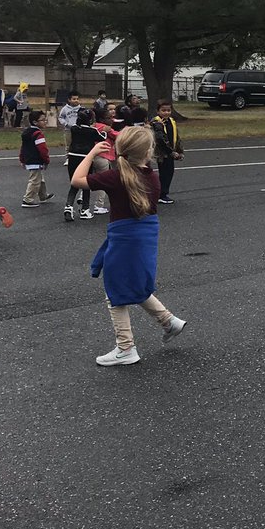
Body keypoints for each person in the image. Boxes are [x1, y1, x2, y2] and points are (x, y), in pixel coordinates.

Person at [73, 127, 187, 366]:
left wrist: (93, 153)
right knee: (133, 283)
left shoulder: (115, 177)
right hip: (144, 237)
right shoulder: (151, 175)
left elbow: (77, 180)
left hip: (123, 239)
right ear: (148, 152)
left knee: (115, 292)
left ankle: (126, 348)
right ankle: (168, 321)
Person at [65, 108, 102, 221]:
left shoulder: (74, 129)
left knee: (74, 182)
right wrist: (103, 130)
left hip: (72, 156)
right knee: (86, 183)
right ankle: (85, 209)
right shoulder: (92, 131)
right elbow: (102, 137)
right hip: (85, 158)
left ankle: (68, 206)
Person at [151, 100, 184, 204]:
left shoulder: (171, 121)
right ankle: (161, 194)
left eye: (168, 110)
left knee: (169, 172)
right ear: (158, 111)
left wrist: (179, 150)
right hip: (162, 152)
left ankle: (162, 193)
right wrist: (171, 152)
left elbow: (176, 137)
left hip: (170, 151)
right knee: (165, 173)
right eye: (163, 110)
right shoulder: (157, 123)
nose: (166, 112)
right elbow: (160, 139)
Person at [19, 110, 52, 207]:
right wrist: (46, 160)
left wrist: (22, 158)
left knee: (40, 179)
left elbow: (23, 147)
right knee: (35, 180)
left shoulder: (27, 133)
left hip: (29, 159)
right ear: (35, 122)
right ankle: (28, 199)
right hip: (36, 160)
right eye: (42, 120)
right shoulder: (38, 134)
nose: (45, 121)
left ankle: (43, 195)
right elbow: (43, 149)